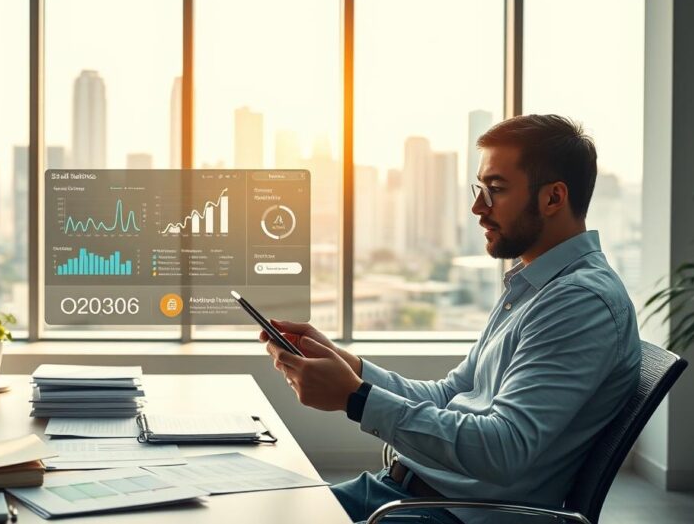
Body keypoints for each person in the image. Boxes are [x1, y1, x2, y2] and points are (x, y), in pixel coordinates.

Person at [262, 114, 642, 524]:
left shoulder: (580, 303)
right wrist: (351, 369)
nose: (478, 207)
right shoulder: (534, 286)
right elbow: (450, 395)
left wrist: (355, 398)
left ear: (553, 198)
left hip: (450, 515)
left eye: (496, 189)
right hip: (400, 493)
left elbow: (504, 448)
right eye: (480, 189)